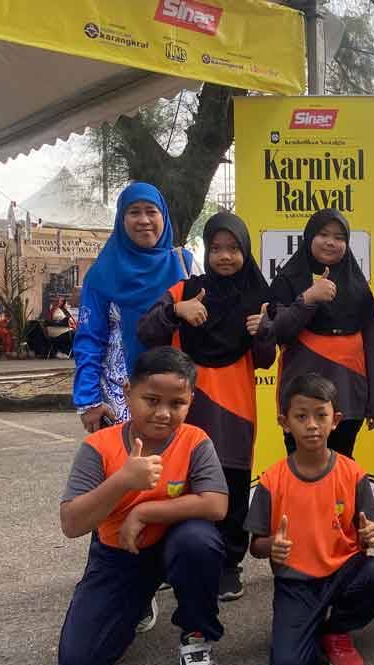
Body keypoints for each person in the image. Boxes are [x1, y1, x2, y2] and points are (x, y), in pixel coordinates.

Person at [57, 346, 229, 665]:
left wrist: (145, 512)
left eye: (176, 403)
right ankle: (137, 600)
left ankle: (196, 636)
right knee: (79, 661)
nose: (163, 413)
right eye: (151, 400)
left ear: (191, 400)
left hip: (176, 546)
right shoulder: (98, 446)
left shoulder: (195, 441)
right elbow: (72, 524)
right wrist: (122, 481)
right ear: (127, 392)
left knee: (198, 542)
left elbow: (216, 504)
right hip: (120, 554)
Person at [138, 211, 275, 601]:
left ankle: (229, 565)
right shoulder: (185, 289)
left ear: (245, 251)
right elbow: (147, 331)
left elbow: (265, 359)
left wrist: (263, 332)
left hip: (235, 407)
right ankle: (173, 556)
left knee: (231, 485)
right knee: (179, 482)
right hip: (186, 406)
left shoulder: (257, 298)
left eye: (233, 248)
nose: (224, 256)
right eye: (216, 248)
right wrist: (175, 311)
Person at [245, 373, 374, 665]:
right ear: (284, 422)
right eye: (301, 416)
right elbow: (255, 547)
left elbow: (365, 532)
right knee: (287, 664)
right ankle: (307, 628)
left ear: (335, 420)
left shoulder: (353, 473)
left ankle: (336, 630)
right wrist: (272, 545)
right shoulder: (271, 480)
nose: (312, 425)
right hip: (296, 582)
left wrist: (369, 535)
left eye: (321, 415)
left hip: (343, 571)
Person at [73, 182, 194, 433]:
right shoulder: (101, 274)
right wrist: (88, 400)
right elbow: (89, 340)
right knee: (127, 458)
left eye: (151, 211)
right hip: (120, 400)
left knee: (177, 458)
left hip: (177, 397)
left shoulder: (185, 265)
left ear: (163, 216)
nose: (144, 220)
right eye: (134, 212)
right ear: (121, 219)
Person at [269, 208, 374, 458]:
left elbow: (372, 344)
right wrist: (308, 298)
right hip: (300, 398)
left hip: (349, 396)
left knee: (341, 467)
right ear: (309, 236)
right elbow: (279, 332)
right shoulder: (287, 280)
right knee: (300, 468)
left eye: (339, 237)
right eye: (323, 234)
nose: (331, 242)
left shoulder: (359, 287)